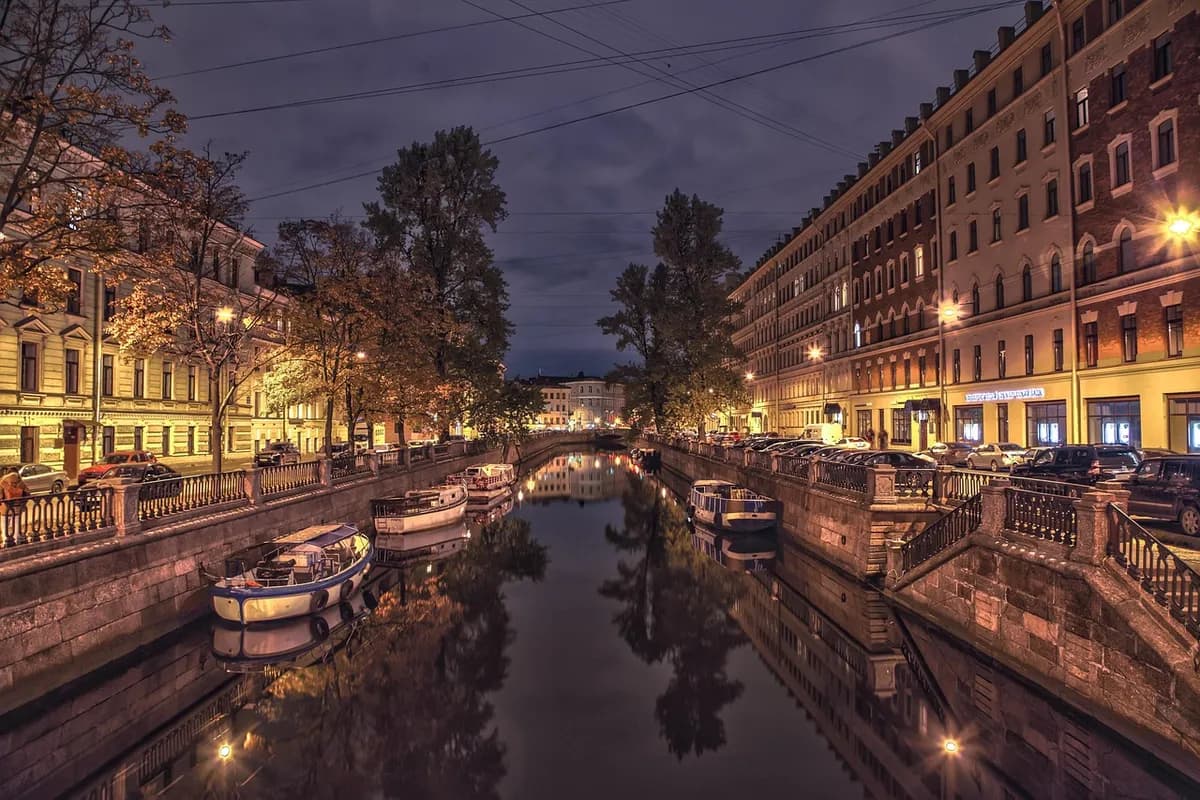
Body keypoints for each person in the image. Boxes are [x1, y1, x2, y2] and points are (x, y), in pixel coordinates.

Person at [0, 465, 30, 546]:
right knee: (16, 527)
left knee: (5, 528)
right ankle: (15, 542)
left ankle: (6, 543)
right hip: (17, 508)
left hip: (5, 509)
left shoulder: (2, 482)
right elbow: (27, 494)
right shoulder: (21, 483)